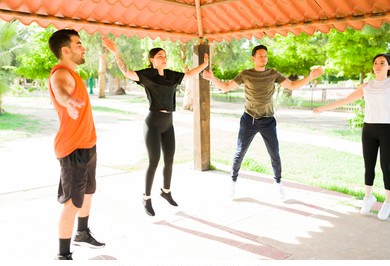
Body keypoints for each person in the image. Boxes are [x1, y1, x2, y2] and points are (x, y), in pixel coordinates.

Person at [102, 37, 208, 216]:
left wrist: (204, 65)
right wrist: (116, 52)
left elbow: (190, 74)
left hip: (169, 123)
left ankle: (166, 192)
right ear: (152, 60)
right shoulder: (147, 75)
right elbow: (127, 72)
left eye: (165, 56)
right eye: (160, 56)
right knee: (153, 161)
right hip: (153, 124)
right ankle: (146, 198)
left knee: (169, 160)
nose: (164, 58)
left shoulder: (171, 75)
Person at [203, 45, 323, 199]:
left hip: (268, 120)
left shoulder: (273, 73)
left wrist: (310, 77)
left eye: (265, 55)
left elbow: (292, 85)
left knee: (275, 154)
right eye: (260, 55)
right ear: (253, 58)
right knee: (240, 152)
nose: (263, 58)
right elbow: (226, 87)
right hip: (249, 120)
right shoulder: (246, 74)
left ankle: (278, 183)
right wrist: (213, 78)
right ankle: (232, 183)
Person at [48, 29, 105, 260]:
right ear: (65, 50)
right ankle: (63, 255)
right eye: (79, 44)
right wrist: (67, 100)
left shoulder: (73, 73)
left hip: (88, 144)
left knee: (88, 192)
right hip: (73, 148)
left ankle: (82, 233)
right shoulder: (60, 73)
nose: (84, 48)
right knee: (72, 202)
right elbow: (60, 90)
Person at [314, 53, 390, 221]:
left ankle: (388, 202)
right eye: (375, 62)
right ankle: (368, 197)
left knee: (387, 167)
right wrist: (324, 108)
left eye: (382, 63)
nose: (378, 65)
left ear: (388, 66)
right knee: (368, 166)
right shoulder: (367, 86)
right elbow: (346, 100)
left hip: (387, 130)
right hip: (369, 129)